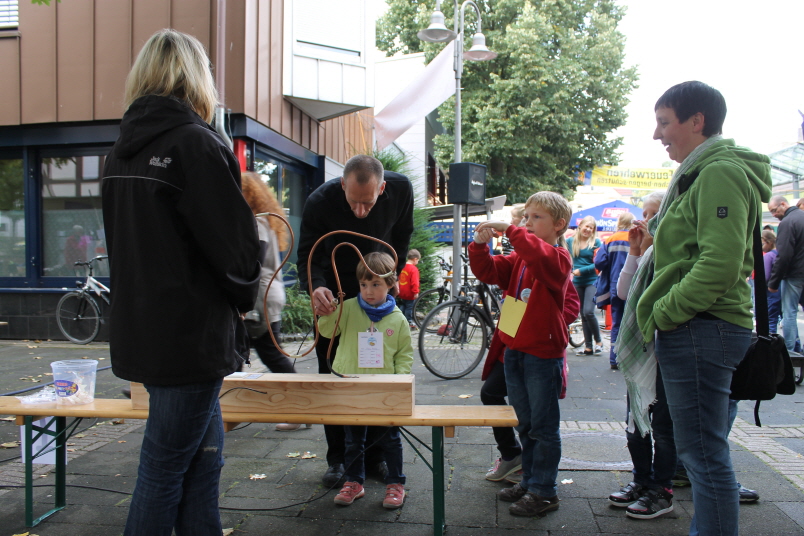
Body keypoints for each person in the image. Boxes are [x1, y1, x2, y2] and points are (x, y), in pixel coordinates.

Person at [101, 30, 262, 536]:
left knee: (201, 464)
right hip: (189, 339)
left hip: (144, 332)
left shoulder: (119, 153)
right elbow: (235, 252)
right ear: (197, 78)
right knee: (165, 468)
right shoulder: (196, 143)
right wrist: (243, 298)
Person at [619, 81, 770, 536]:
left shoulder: (717, 172)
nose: (656, 134)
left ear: (697, 121)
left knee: (703, 455)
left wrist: (664, 311)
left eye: (664, 122)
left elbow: (719, 264)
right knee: (701, 453)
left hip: (702, 327)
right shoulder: (703, 171)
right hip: (701, 326)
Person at [297, 154, 414, 487]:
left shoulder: (402, 190)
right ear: (342, 184)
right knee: (334, 374)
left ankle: (375, 455)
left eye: (369, 203)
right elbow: (308, 253)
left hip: (379, 284)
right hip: (337, 294)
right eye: (354, 203)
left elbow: (403, 235)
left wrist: (391, 277)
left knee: (377, 371)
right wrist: (317, 287)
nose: (361, 211)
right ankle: (338, 460)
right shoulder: (320, 201)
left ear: (383, 189)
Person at [469, 191, 579, 518]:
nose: (528, 223)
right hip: (515, 351)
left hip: (542, 355)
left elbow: (542, 260)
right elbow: (488, 271)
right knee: (526, 423)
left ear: (559, 225)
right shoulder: (521, 259)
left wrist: (514, 231)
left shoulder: (558, 257)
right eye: (525, 217)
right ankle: (530, 480)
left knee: (543, 427)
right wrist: (478, 245)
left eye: (536, 218)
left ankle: (544, 491)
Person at [317, 252, 413, 509]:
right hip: (351, 386)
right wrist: (326, 312)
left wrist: (399, 384)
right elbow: (327, 331)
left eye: (376, 284)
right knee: (353, 439)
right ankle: (354, 482)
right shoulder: (348, 308)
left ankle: (395, 483)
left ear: (391, 283)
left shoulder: (398, 319)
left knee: (390, 439)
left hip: (383, 390)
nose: (368, 291)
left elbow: (404, 355)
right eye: (363, 284)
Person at [607, 208, 677, 521]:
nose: (643, 219)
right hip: (643, 352)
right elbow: (622, 292)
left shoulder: (671, 254)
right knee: (635, 422)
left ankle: (662, 489)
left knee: (662, 426)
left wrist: (654, 245)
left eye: (653, 215)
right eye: (644, 213)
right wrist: (636, 250)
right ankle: (641, 480)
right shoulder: (645, 254)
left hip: (665, 353)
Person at [240, 172, 310, 432]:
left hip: (260, 298)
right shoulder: (265, 221)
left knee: (268, 355)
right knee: (242, 353)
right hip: (268, 295)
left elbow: (252, 262)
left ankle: (300, 408)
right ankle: (230, 409)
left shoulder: (255, 224)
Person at [595, 212, 634, 369]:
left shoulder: (610, 239)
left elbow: (599, 262)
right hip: (634, 286)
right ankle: (630, 358)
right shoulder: (636, 237)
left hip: (615, 286)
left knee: (617, 323)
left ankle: (615, 358)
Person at [767, 195, 804, 352]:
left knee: (789, 314)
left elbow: (784, 255)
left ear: (783, 204)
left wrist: (773, 282)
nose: (774, 215)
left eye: (774, 210)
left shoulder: (787, 223)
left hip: (794, 275)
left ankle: (790, 353)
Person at [566, 215, 603, 356]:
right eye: (586, 226)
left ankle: (599, 342)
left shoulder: (596, 243)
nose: (587, 229)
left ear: (593, 230)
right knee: (582, 314)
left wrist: (581, 270)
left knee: (588, 311)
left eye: (591, 227)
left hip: (591, 281)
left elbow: (598, 263)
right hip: (577, 282)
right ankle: (588, 347)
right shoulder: (570, 241)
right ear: (580, 226)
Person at [761, 230, 782, 333]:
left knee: (771, 320)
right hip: (783, 290)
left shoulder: (768, 256)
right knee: (786, 317)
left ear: (767, 241)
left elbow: (765, 276)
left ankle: (771, 345)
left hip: (772, 292)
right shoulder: (781, 253)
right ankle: (794, 344)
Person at [396, 249, 421, 328]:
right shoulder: (413, 269)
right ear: (415, 259)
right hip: (410, 293)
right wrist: (415, 292)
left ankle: (399, 318)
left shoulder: (403, 266)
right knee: (409, 307)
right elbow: (414, 282)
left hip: (402, 291)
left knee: (403, 305)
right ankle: (408, 321)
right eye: (418, 260)